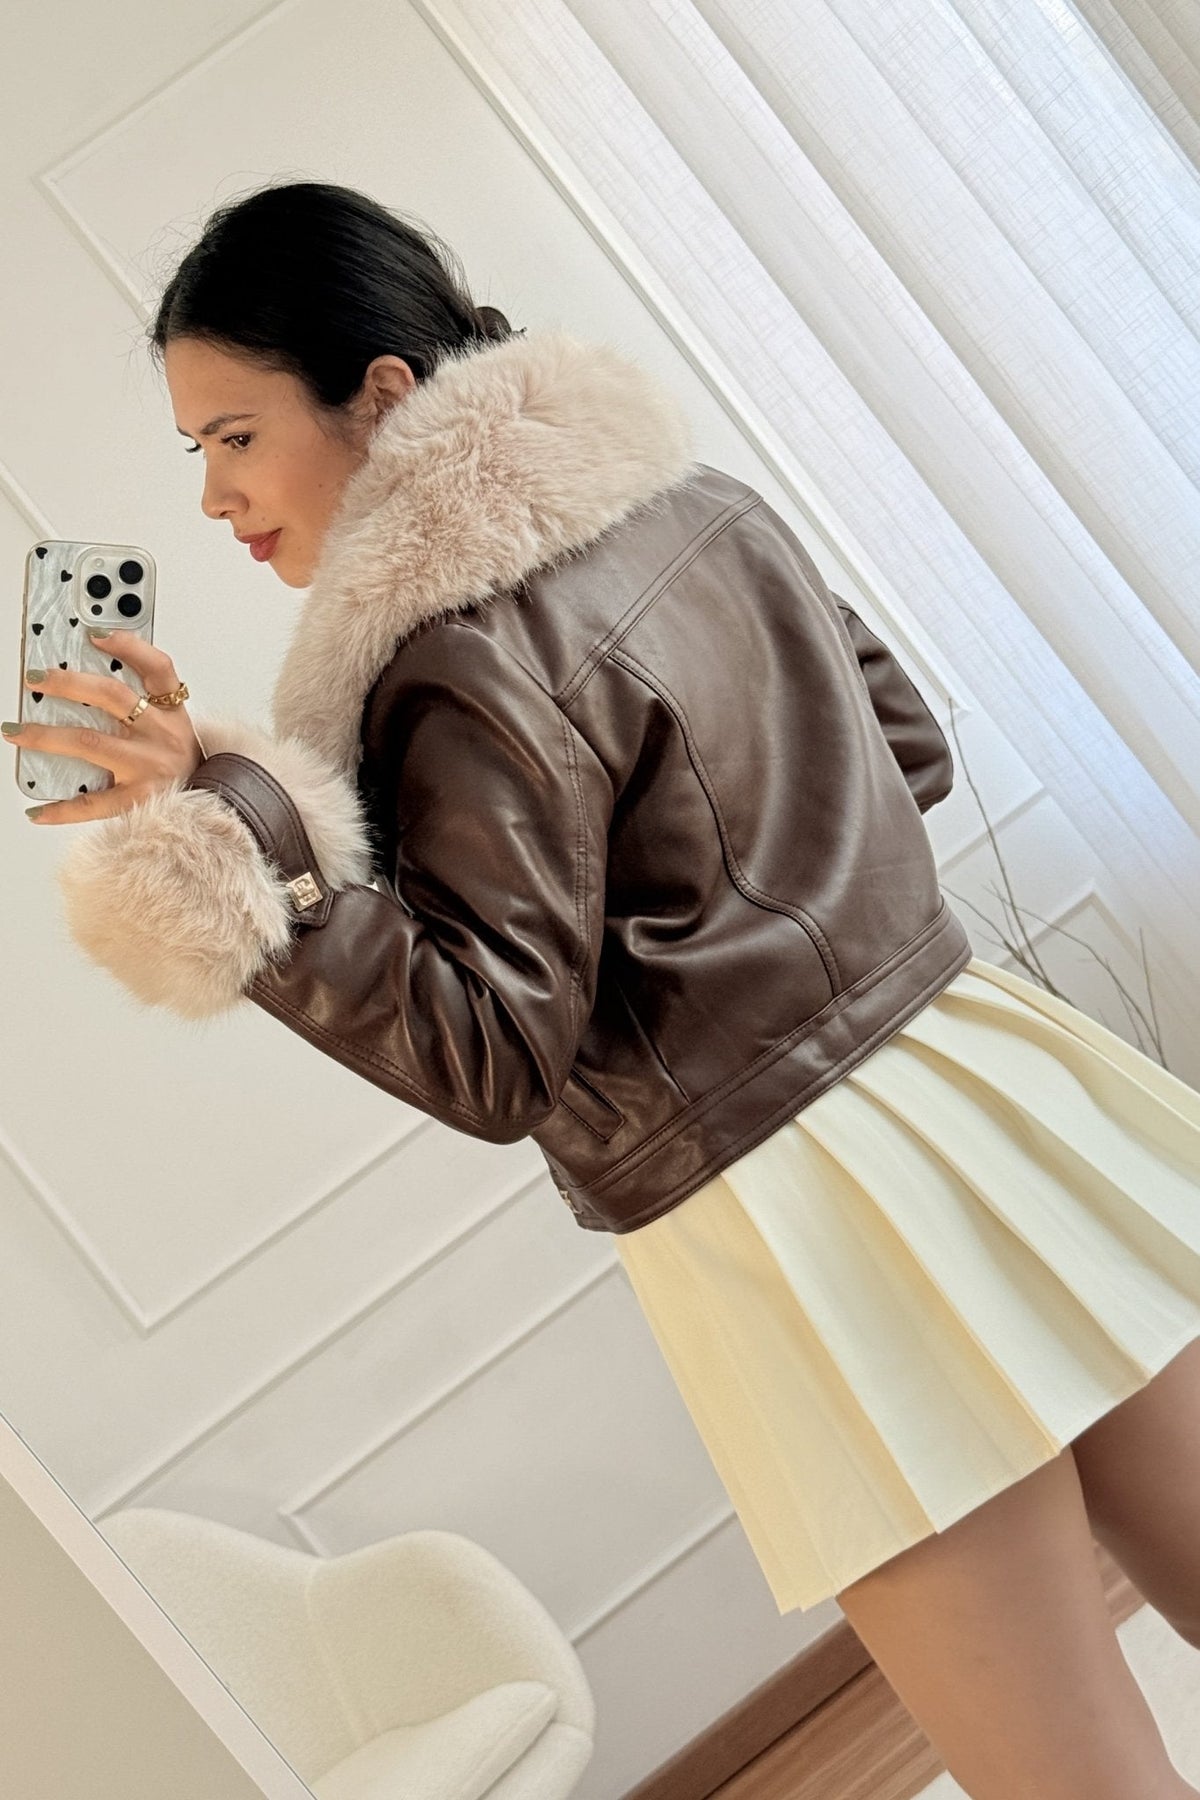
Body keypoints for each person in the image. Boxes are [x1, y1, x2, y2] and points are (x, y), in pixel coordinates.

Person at [9, 179, 1200, 1800]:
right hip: (981, 1081)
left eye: (234, 436)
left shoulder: (448, 663)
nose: (217, 496)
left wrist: (247, 829)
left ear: (382, 393)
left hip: (804, 1214)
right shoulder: (700, 504)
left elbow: (492, 1061)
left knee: (1076, 1778)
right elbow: (906, 745)